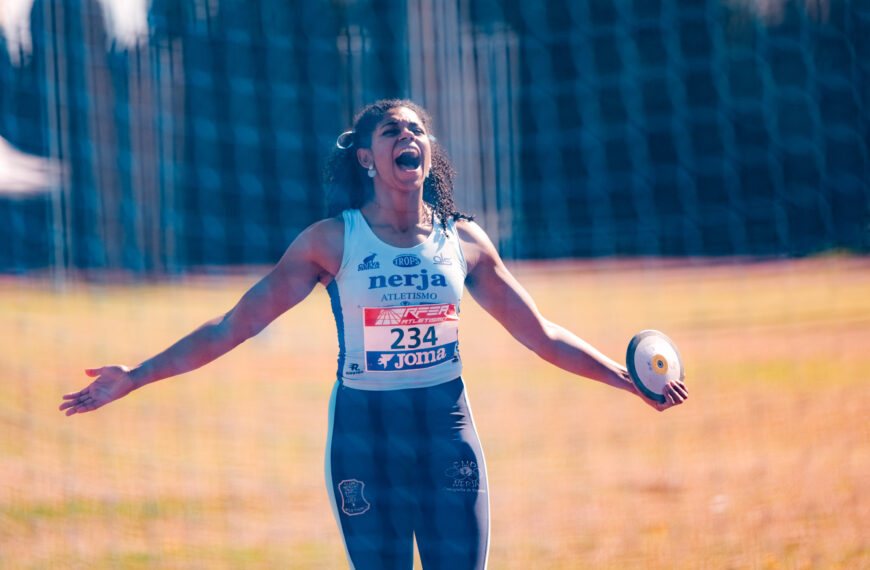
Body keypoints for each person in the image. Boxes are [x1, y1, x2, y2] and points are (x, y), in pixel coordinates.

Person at [59, 99, 688, 569]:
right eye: (392, 130)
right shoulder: (330, 242)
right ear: (367, 157)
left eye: (416, 129)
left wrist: (628, 382)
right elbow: (234, 324)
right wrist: (136, 376)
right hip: (365, 436)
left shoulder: (463, 243)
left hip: (447, 433)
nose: (407, 136)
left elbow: (543, 335)